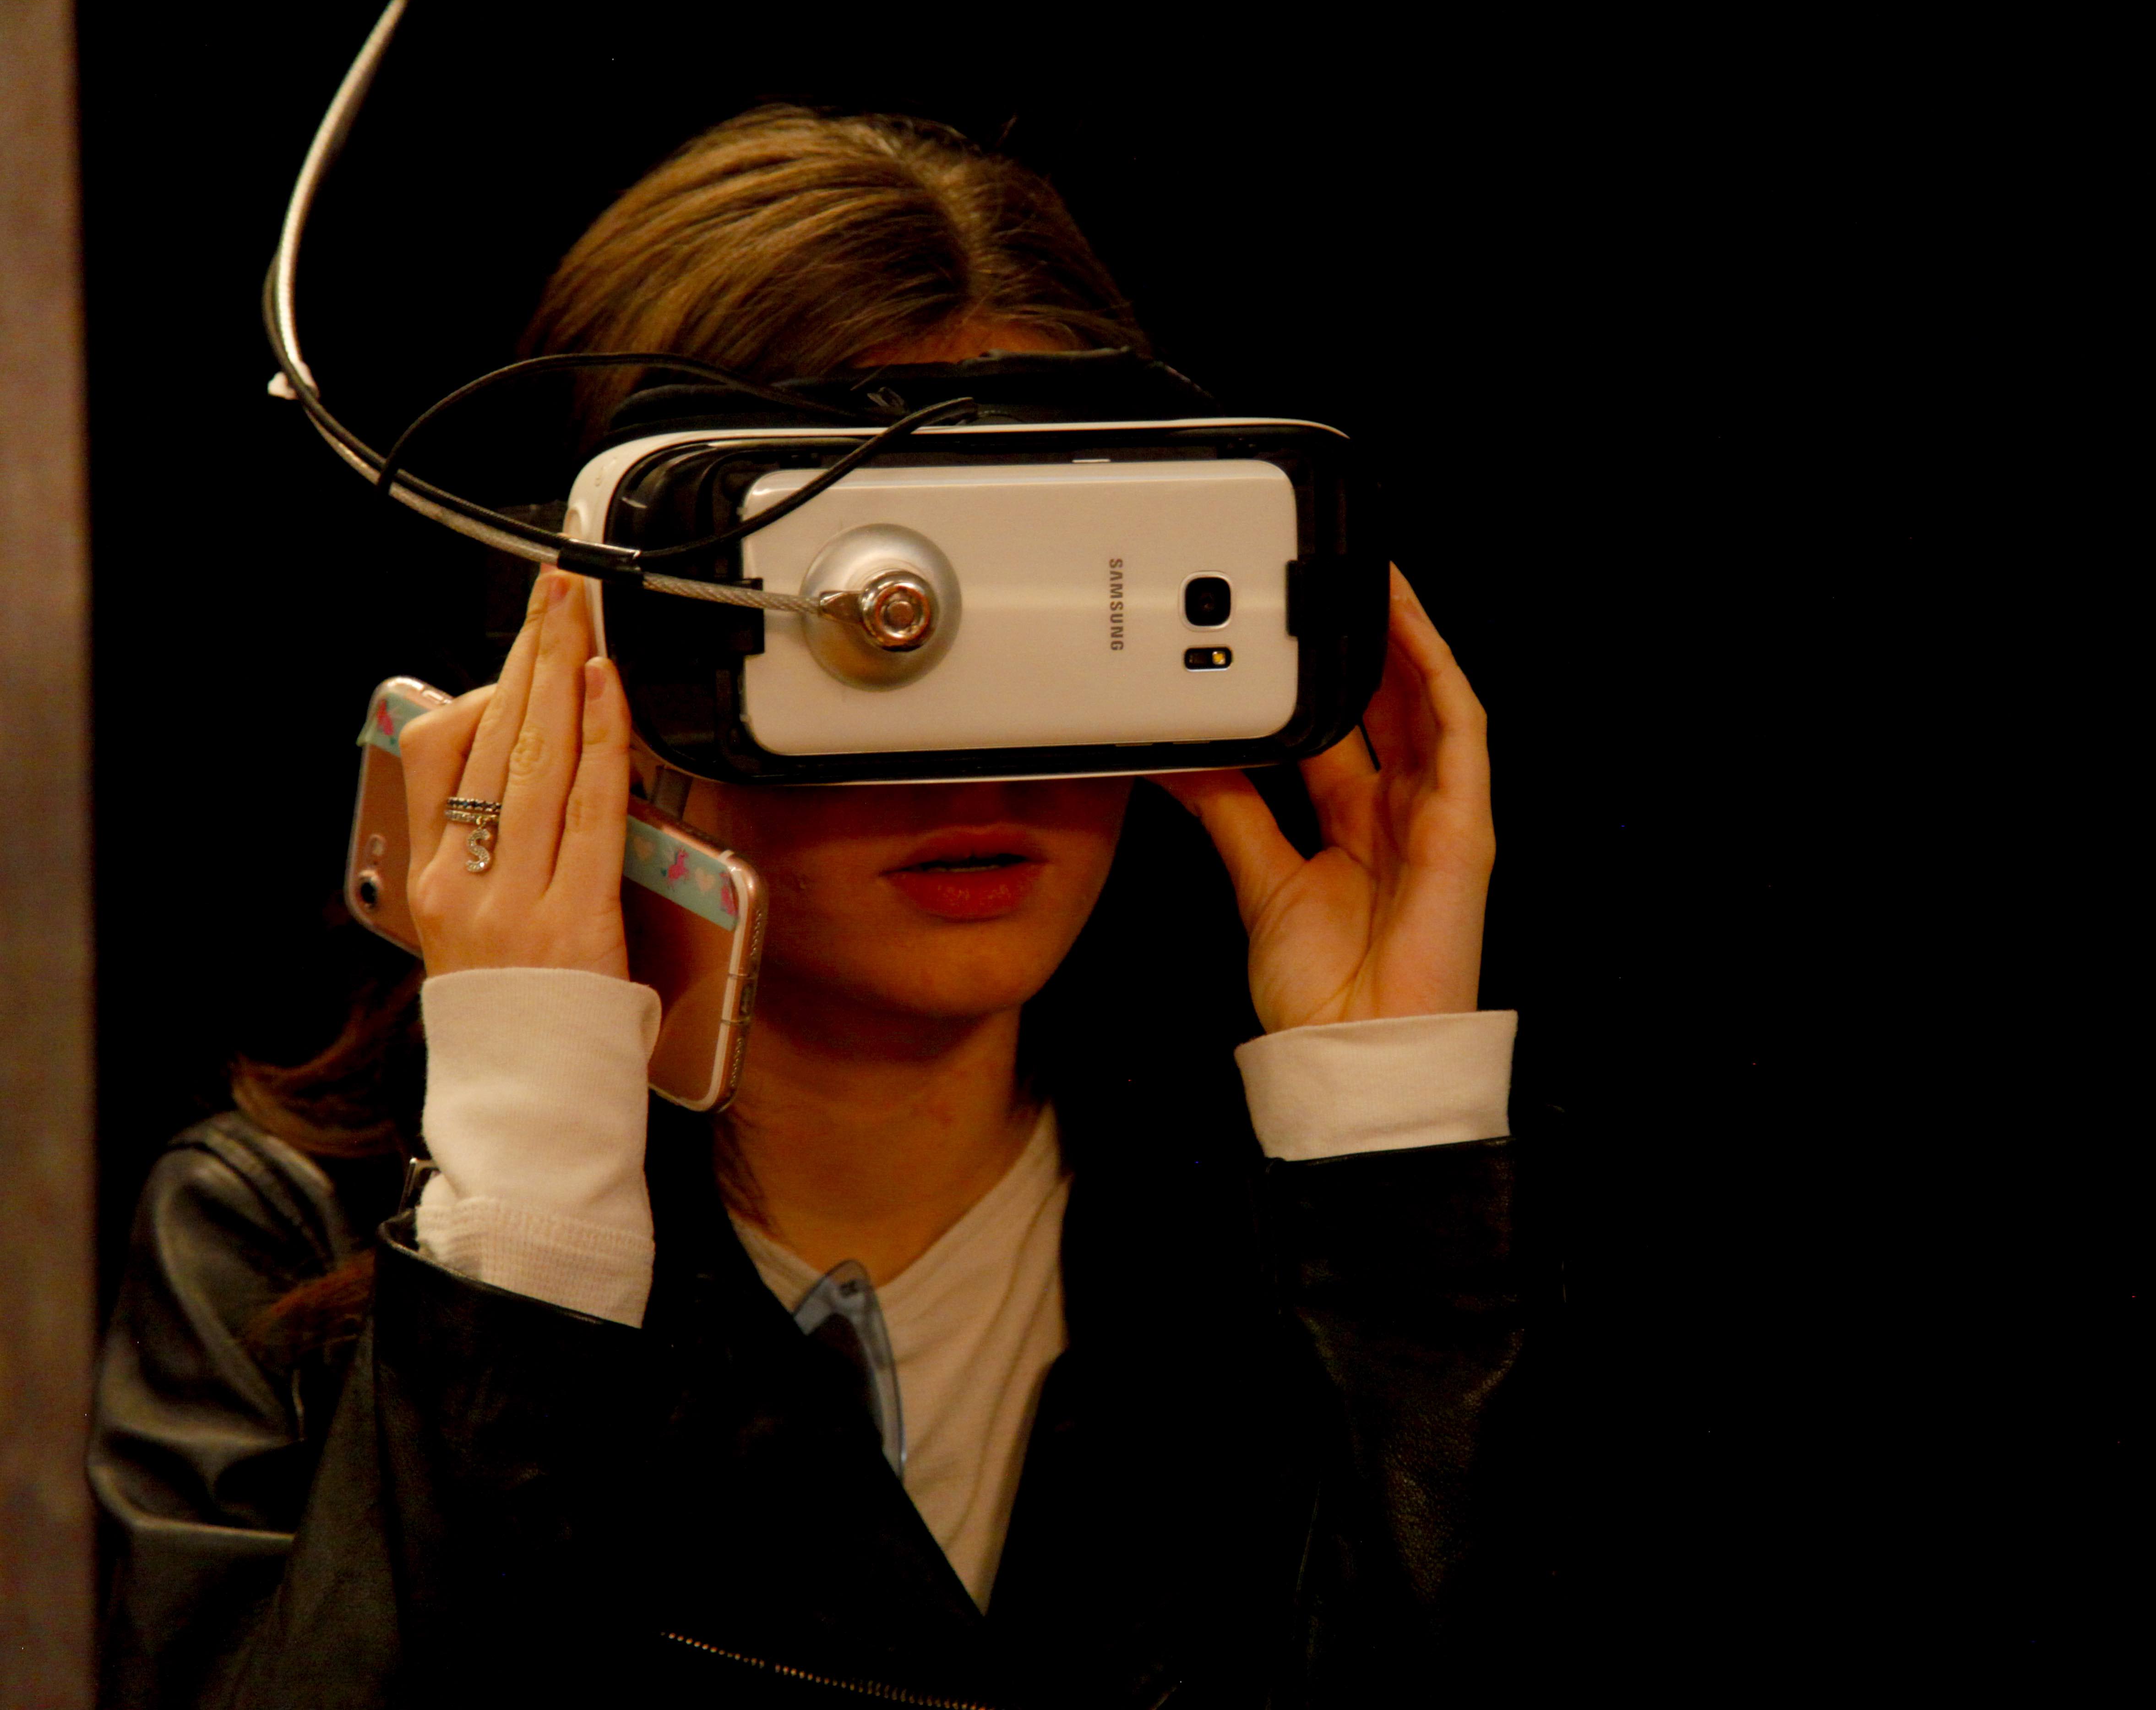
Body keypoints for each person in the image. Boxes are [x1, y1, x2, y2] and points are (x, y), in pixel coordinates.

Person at [91, 108, 1561, 1708]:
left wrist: (1390, 1147)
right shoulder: (284, 1247)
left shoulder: (1298, 1241)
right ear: (593, 631)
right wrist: (527, 1192)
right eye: (875, 619)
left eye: (1054, 609)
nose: (973, 758)